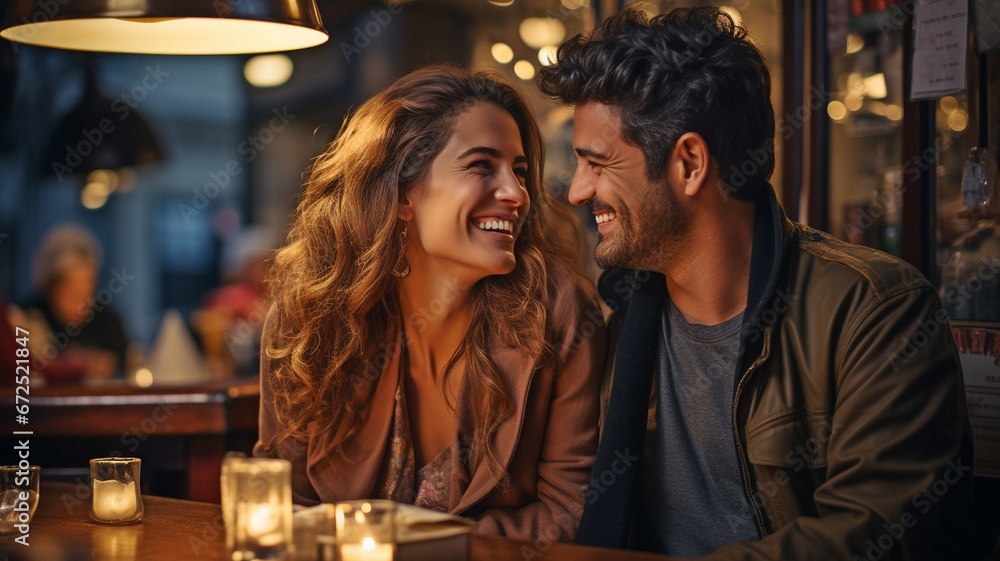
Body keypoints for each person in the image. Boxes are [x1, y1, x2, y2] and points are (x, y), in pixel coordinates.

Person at [537, 6, 977, 560]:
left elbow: (873, 537)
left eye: (597, 164)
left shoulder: (877, 311)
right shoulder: (623, 319)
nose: (577, 192)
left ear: (690, 163)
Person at [254, 65, 605, 540]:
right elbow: (280, 501)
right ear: (401, 193)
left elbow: (573, 516)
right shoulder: (308, 318)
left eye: (519, 172)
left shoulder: (559, 313)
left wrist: (418, 541)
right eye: (482, 165)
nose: (516, 194)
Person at [7, 224, 128, 382]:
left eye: (87, 291)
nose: (81, 302)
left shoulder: (108, 322)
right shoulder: (25, 317)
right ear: (51, 287)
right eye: (71, 292)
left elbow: (123, 370)